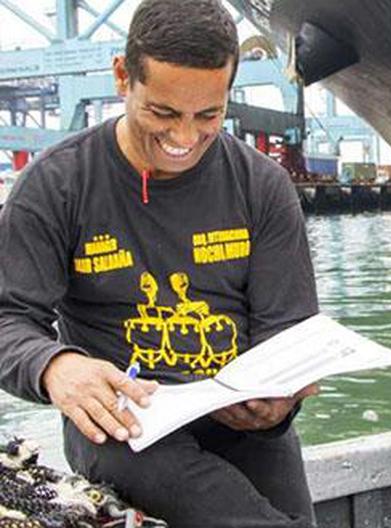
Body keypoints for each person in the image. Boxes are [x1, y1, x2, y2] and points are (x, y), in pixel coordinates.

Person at [0, 1, 320, 526]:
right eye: (164, 113)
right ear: (123, 77)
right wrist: (55, 366)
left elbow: (288, 327)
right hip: (123, 427)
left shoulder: (263, 185)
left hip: (244, 428)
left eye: (209, 115)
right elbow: (9, 318)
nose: (184, 139)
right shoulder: (55, 185)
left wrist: (281, 399)